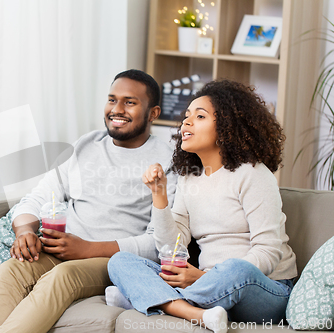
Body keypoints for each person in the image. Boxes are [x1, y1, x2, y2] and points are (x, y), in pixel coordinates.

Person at [0, 69, 177, 333]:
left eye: (130, 102)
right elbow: (38, 195)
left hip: (112, 262)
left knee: (62, 277)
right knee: (12, 269)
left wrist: (87, 249)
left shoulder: (167, 161)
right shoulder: (86, 145)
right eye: (112, 99)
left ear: (153, 113)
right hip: (62, 250)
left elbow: (159, 243)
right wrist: (25, 231)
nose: (117, 109)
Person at [107, 79, 298, 333]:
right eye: (187, 116)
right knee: (120, 262)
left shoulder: (253, 174)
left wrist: (203, 277)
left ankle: (151, 299)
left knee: (236, 267)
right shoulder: (189, 177)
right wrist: (159, 195)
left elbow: (268, 252)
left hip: (265, 288)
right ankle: (194, 312)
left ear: (228, 126)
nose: (186, 122)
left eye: (199, 116)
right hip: (210, 288)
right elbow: (170, 248)